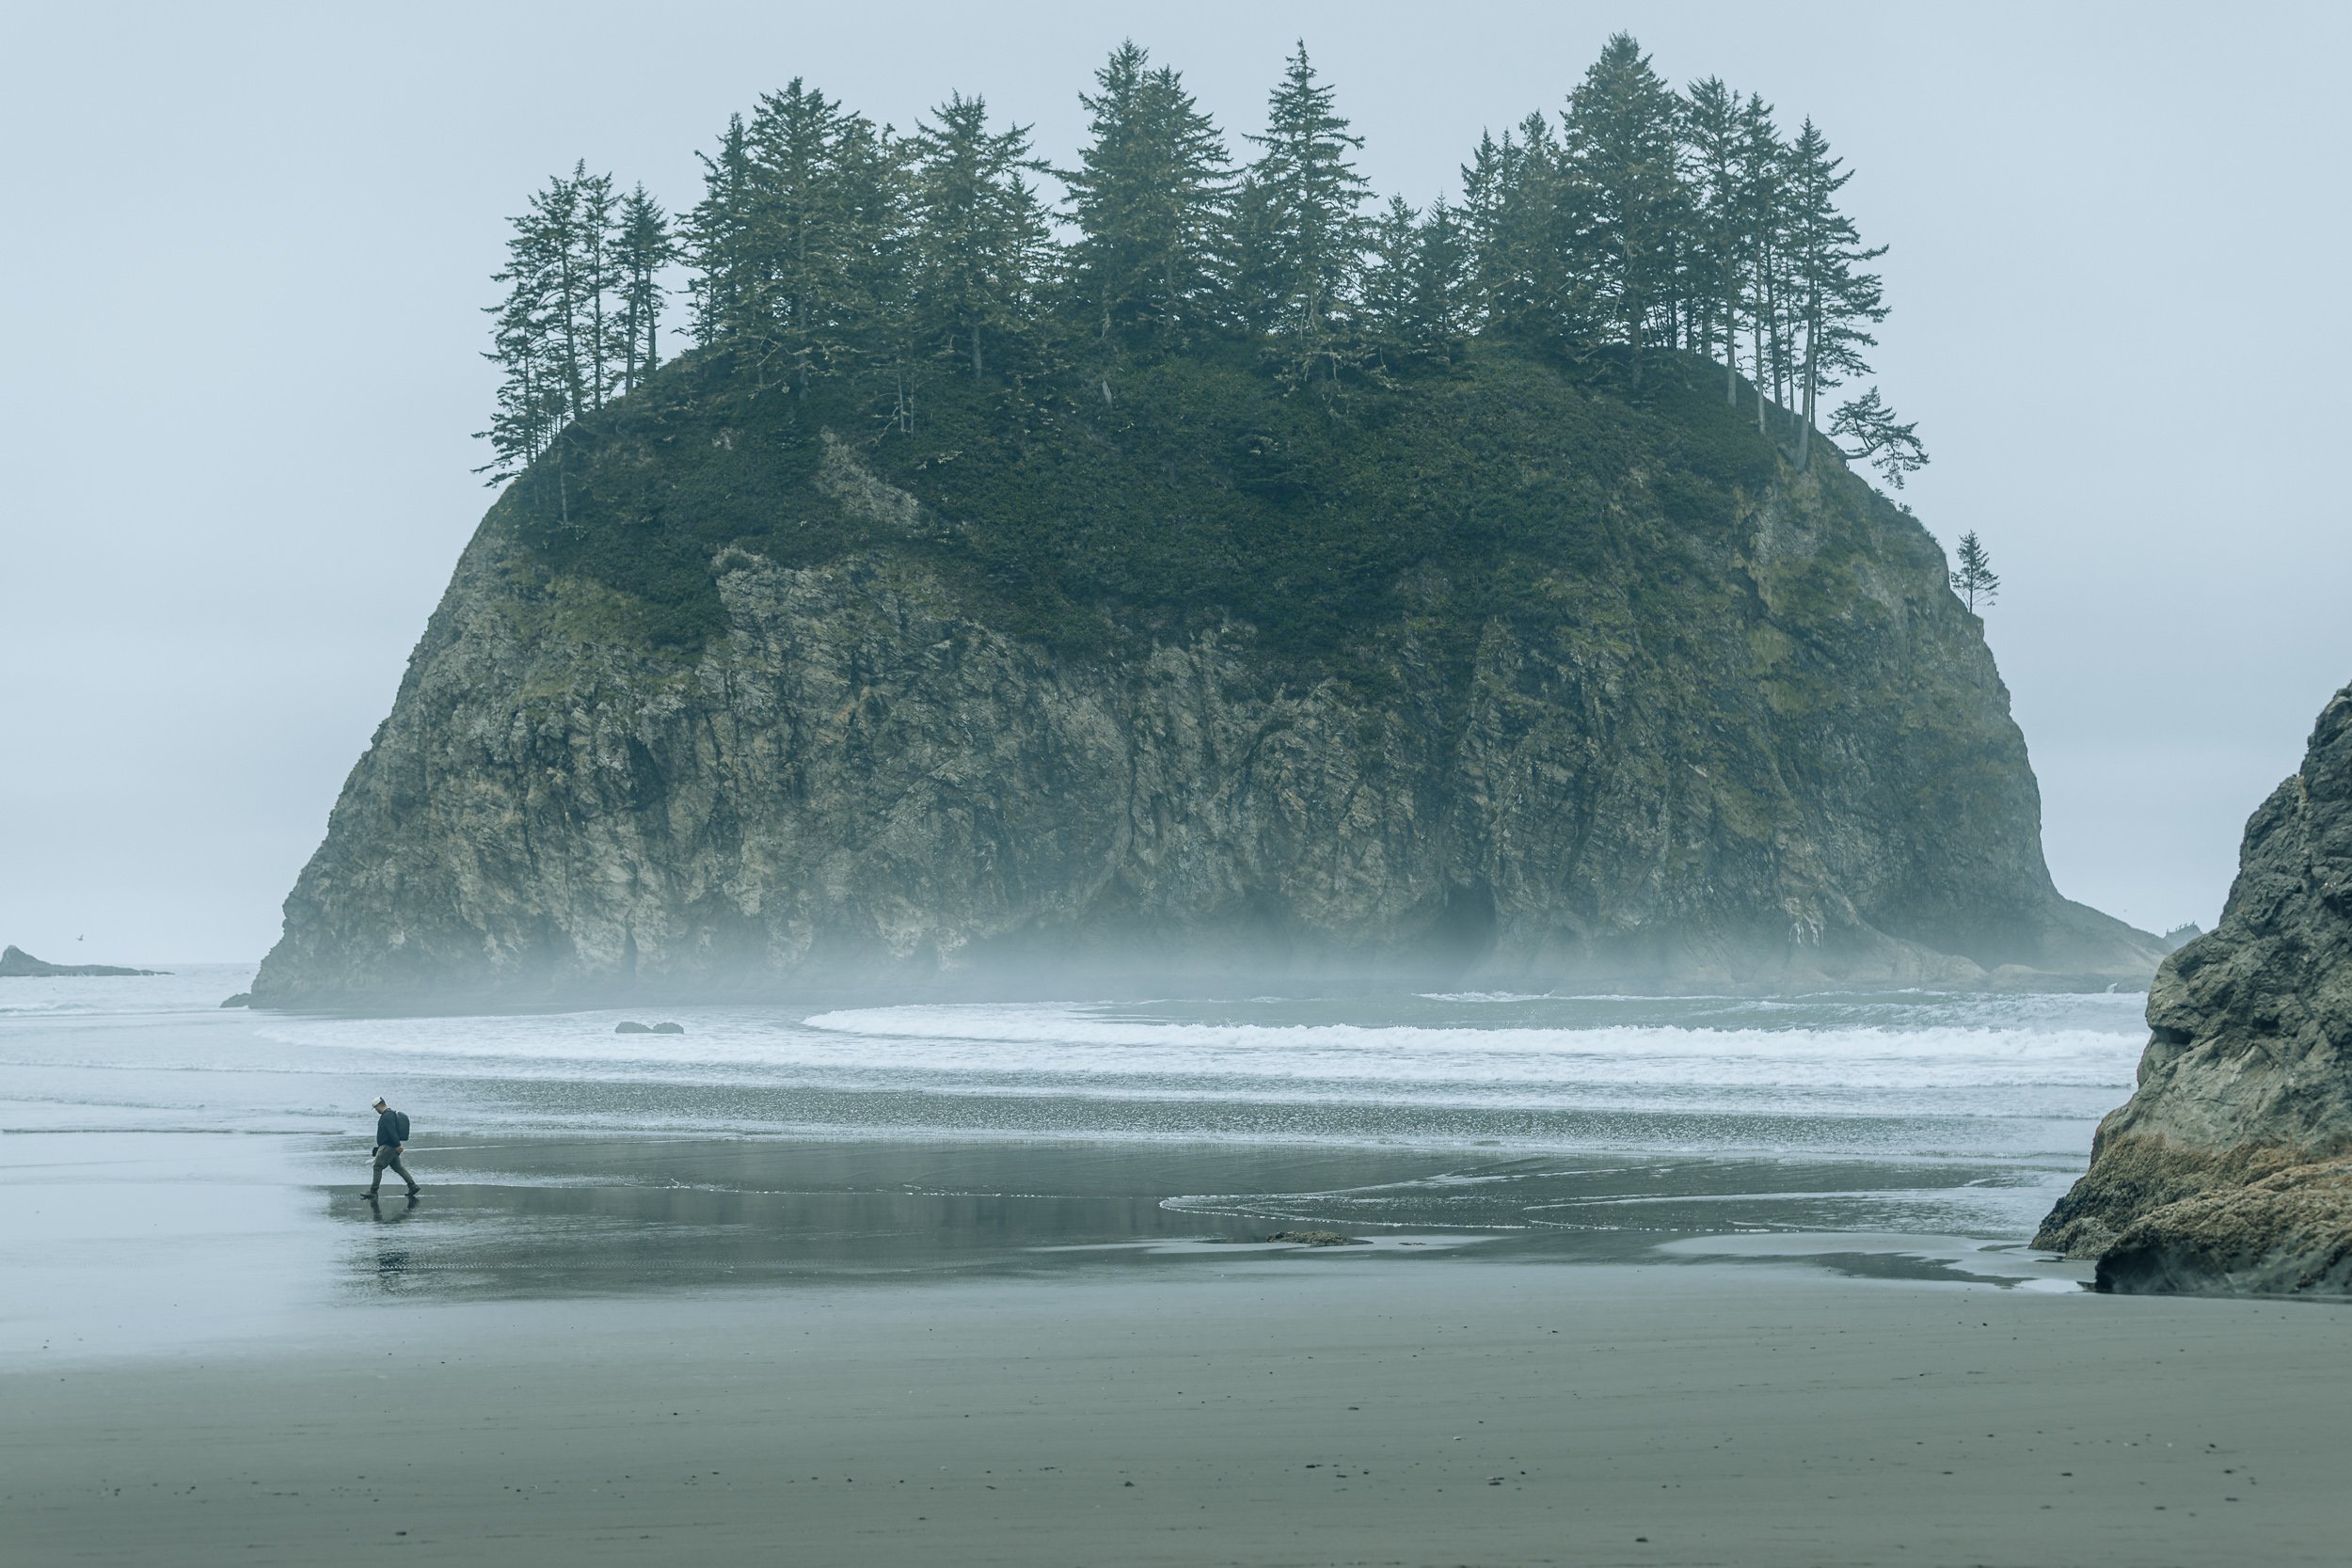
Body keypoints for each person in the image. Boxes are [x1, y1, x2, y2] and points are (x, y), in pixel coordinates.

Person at [365, 1096, 420, 1199]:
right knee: (397, 1167)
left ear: (379, 1105)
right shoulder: (391, 1114)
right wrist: (397, 1145)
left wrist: (397, 1145)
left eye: (376, 1108)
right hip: (392, 1146)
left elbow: (392, 1131)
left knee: (377, 1167)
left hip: (388, 1146)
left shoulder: (387, 1116)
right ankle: (413, 1186)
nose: (376, 1110)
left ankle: (373, 1191)